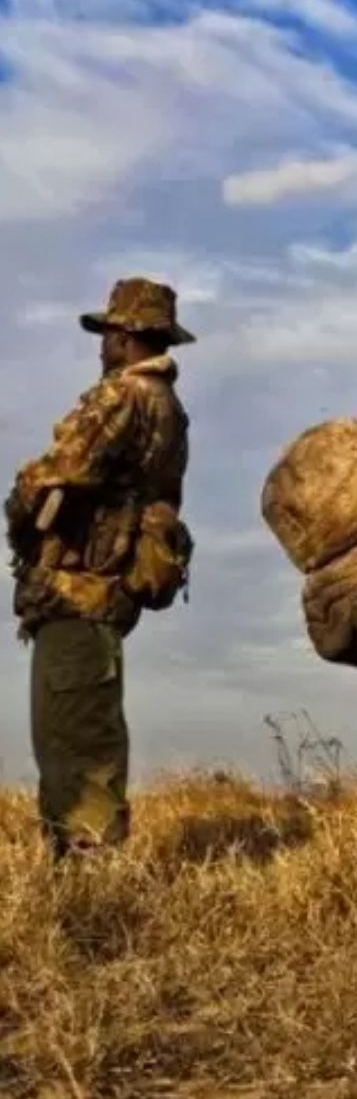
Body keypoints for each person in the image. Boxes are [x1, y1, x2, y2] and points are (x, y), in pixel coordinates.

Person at [5, 278, 195, 857]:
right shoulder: (170, 409)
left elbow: (54, 476)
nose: (102, 346)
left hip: (79, 592)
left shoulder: (122, 395)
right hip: (104, 593)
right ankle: (81, 871)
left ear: (126, 336)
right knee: (79, 732)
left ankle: (93, 879)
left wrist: (19, 505)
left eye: (109, 333)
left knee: (75, 743)